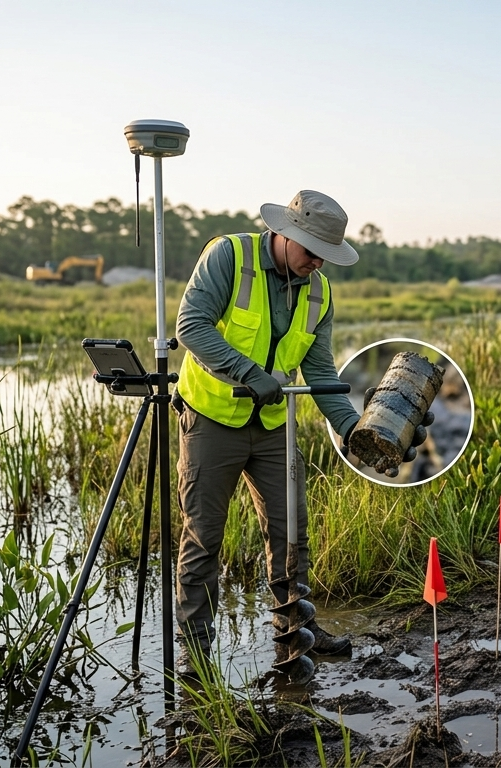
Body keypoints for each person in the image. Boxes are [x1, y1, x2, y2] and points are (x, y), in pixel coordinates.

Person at [173, 190, 423, 683]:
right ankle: (196, 657)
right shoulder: (229, 255)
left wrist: (357, 431)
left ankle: (296, 629)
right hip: (210, 419)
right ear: (285, 233)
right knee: (204, 539)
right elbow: (191, 326)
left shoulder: (319, 291)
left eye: (326, 257)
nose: (316, 264)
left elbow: (320, 371)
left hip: (271, 428)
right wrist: (246, 372)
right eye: (311, 252)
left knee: (291, 532)